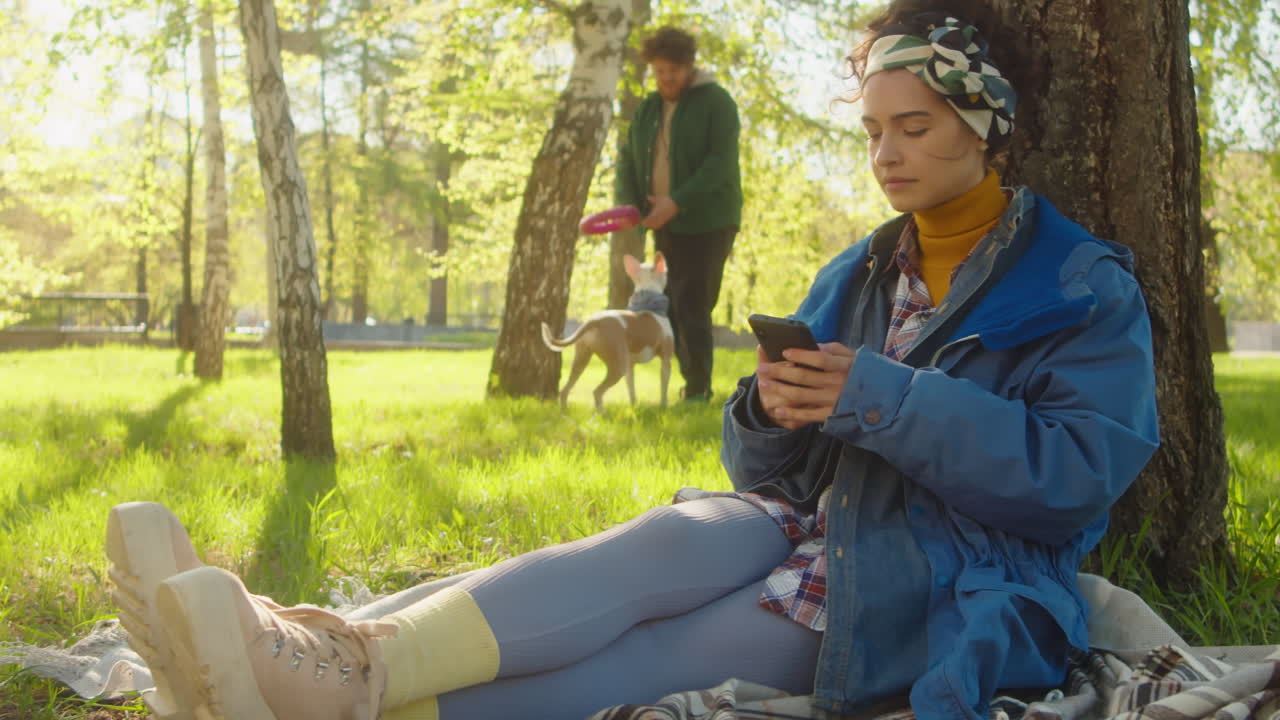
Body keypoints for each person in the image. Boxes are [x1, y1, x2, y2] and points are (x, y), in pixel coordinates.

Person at [105, 2, 1160, 719]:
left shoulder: (1078, 283)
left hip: (939, 574)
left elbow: (1073, 479)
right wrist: (770, 413)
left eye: (914, 128)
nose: (885, 155)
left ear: (983, 124)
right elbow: (771, 475)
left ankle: (311, 687)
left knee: (651, 657)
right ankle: (298, 650)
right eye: (874, 131)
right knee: (659, 542)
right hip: (807, 521)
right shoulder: (861, 268)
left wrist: (878, 399)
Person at [614, 26, 742, 403]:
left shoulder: (717, 102)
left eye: (673, 70)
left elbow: (719, 163)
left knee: (695, 302)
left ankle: (698, 388)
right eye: (659, 71)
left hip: (710, 221)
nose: (666, 78)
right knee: (672, 301)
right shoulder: (649, 109)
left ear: (689, 67)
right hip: (663, 220)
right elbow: (628, 159)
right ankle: (691, 384)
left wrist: (678, 200)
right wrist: (630, 205)